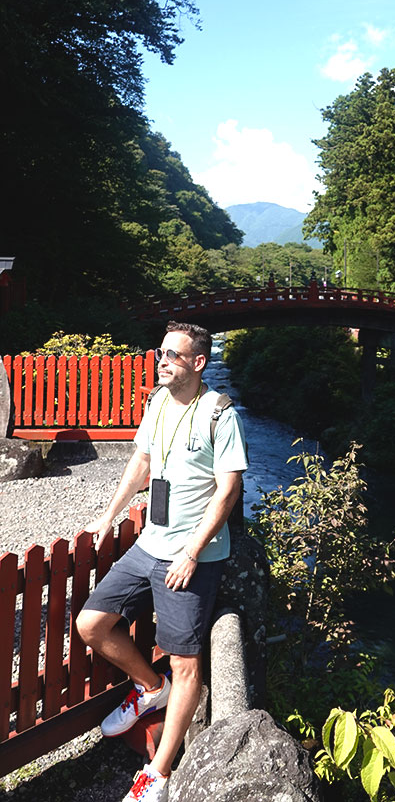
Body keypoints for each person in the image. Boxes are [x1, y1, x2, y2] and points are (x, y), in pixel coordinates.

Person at [76, 321, 248, 802]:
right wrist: (108, 515)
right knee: (91, 624)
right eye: (160, 352)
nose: (162, 361)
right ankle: (151, 688)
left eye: (173, 354)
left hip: (193, 556)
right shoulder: (155, 403)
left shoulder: (221, 414)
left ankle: (160, 770)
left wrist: (193, 552)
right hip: (150, 543)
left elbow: (229, 490)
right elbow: (142, 462)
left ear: (198, 362)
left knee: (187, 665)